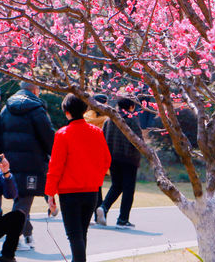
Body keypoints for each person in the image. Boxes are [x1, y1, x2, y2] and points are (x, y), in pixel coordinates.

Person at [46, 94, 111, 262]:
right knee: (82, 233)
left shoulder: (63, 134)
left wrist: (50, 192)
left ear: (67, 112)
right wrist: (96, 179)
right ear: (85, 109)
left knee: (74, 235)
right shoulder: (97, 132)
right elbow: (106, 160)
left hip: (69, 192)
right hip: (91, 190)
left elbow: (55, 166)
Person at [0, 81, 55, 250]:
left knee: (21, 198)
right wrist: (53, 154)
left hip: (9, 161)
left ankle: (28, 234)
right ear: (35, 90)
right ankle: (13, 239)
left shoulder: (6, 108)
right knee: (24, 200)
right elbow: (48, 136)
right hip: (32, 163)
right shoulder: (37, 110)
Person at [96, 96, 143, 229]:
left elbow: (103, 139)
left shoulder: (109, 120)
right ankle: (123, 219)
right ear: (131, 106)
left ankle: (104, 207)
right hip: (129, 159)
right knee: (128, 189)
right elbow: (138, 141)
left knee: (116, 185)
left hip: (112, 158)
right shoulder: (131, 119)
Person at [83, 93, 108, 222]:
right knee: (97, 186)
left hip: (85, 154)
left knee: (86, 186)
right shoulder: (108, 118)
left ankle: (88, 215)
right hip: (99, 154)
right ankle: (100, 213)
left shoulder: (85, 117)